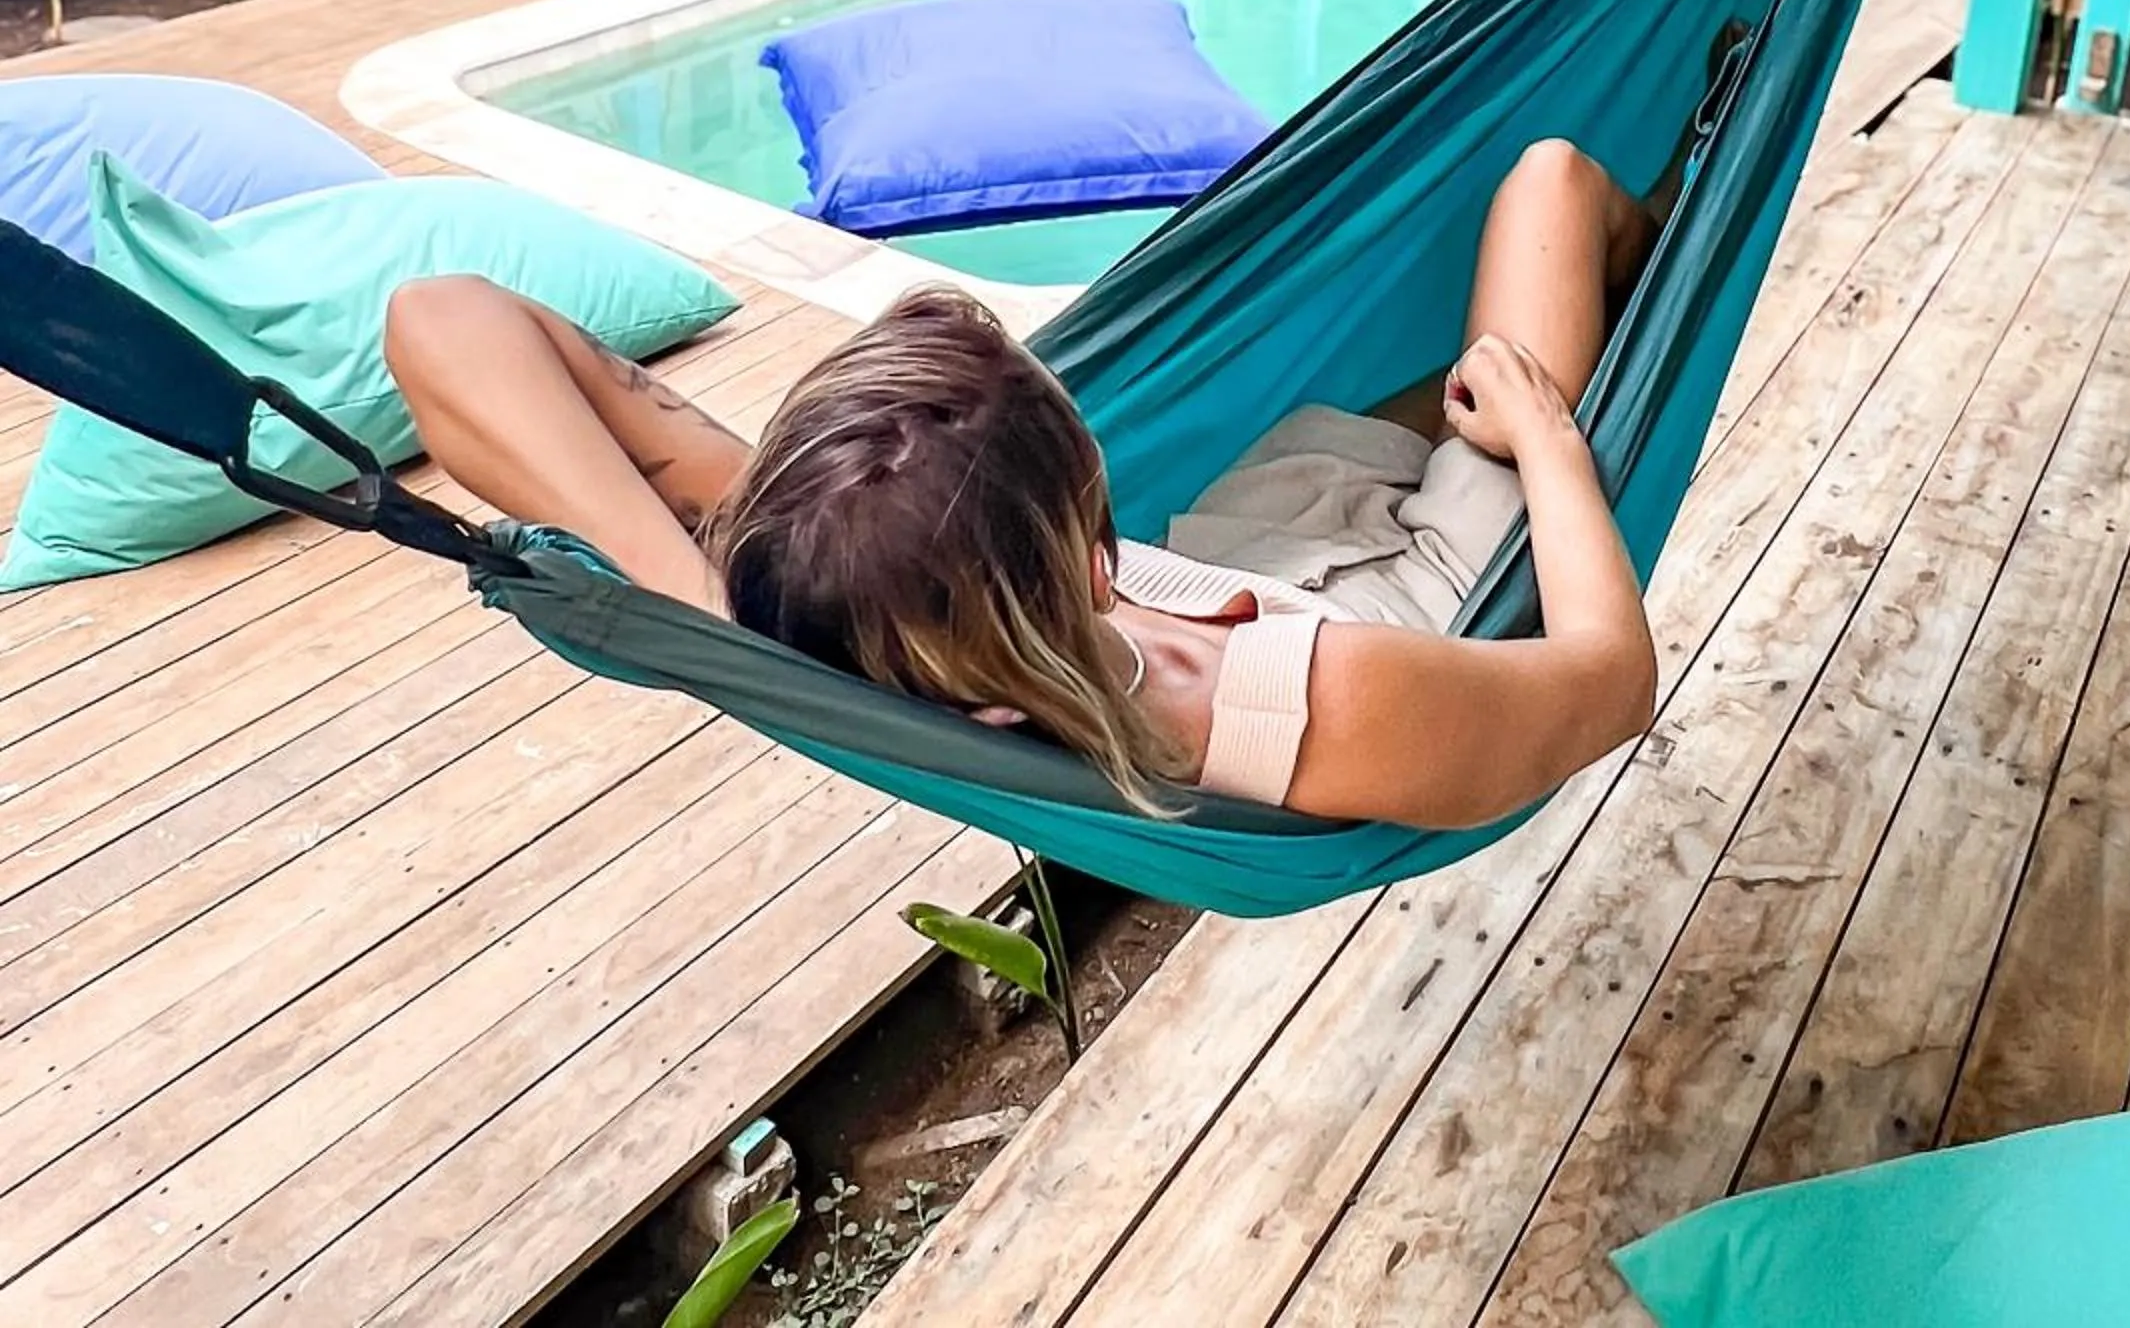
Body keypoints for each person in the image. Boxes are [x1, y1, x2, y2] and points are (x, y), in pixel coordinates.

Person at [386, 137, 1674, 833]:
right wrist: (1547, 440)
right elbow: (1610, 686)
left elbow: (438, 315)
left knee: (1446, 347)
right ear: (1092, 546)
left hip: (1255, 555)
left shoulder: (855, 605)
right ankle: (1669, 222)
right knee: (1552, 187)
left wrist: (699, 617)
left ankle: (1646, 246)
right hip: (1429, 583)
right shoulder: (1334, 705)